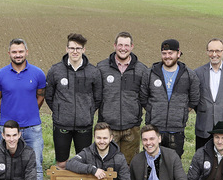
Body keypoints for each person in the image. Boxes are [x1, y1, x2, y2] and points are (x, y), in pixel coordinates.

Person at [0, 38, 48, 180]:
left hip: (32, 128)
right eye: (14, 52)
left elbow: (40, 96)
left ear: (27, 52)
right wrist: (9, 116)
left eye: (21, 51)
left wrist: (29, 113)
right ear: (9, 53)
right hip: (8, 129)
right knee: (4, 164)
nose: (18, 55)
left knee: (36, 163)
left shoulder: (38, 74)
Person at [45, 33, 102, 169]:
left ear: (83, 50)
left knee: (83, 163)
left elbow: (98, 98)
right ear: (66, 49)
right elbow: (49, 96)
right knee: (62, 163)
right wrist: (60, 111)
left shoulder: (93, 72)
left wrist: (86, 112)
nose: (75, 51)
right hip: (62, 125)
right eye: (72, 48)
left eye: (78, 48)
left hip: (84, 125)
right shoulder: (55, 70)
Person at [140, 39, 200, 158]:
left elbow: (194, 99)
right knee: (152, 165)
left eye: (170, 53)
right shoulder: (150, 73)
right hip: (154, 129)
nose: (167, 56)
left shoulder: (189, 75)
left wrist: (180, 112)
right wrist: (154, 110)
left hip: (176, 131)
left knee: (173, 167)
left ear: (178, 53)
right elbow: (143, 97)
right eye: (164, 53)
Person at [96, 32, 149, 165]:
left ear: (132, 47)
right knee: (108, 165)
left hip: (132, 127)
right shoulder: (102, 68)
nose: (123, 48)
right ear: (114, 46)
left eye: (126, 45)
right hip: (108, 127)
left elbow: (145, 97)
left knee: (129, 166)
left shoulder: (142, 70)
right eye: (120, 45)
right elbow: (96, 96)